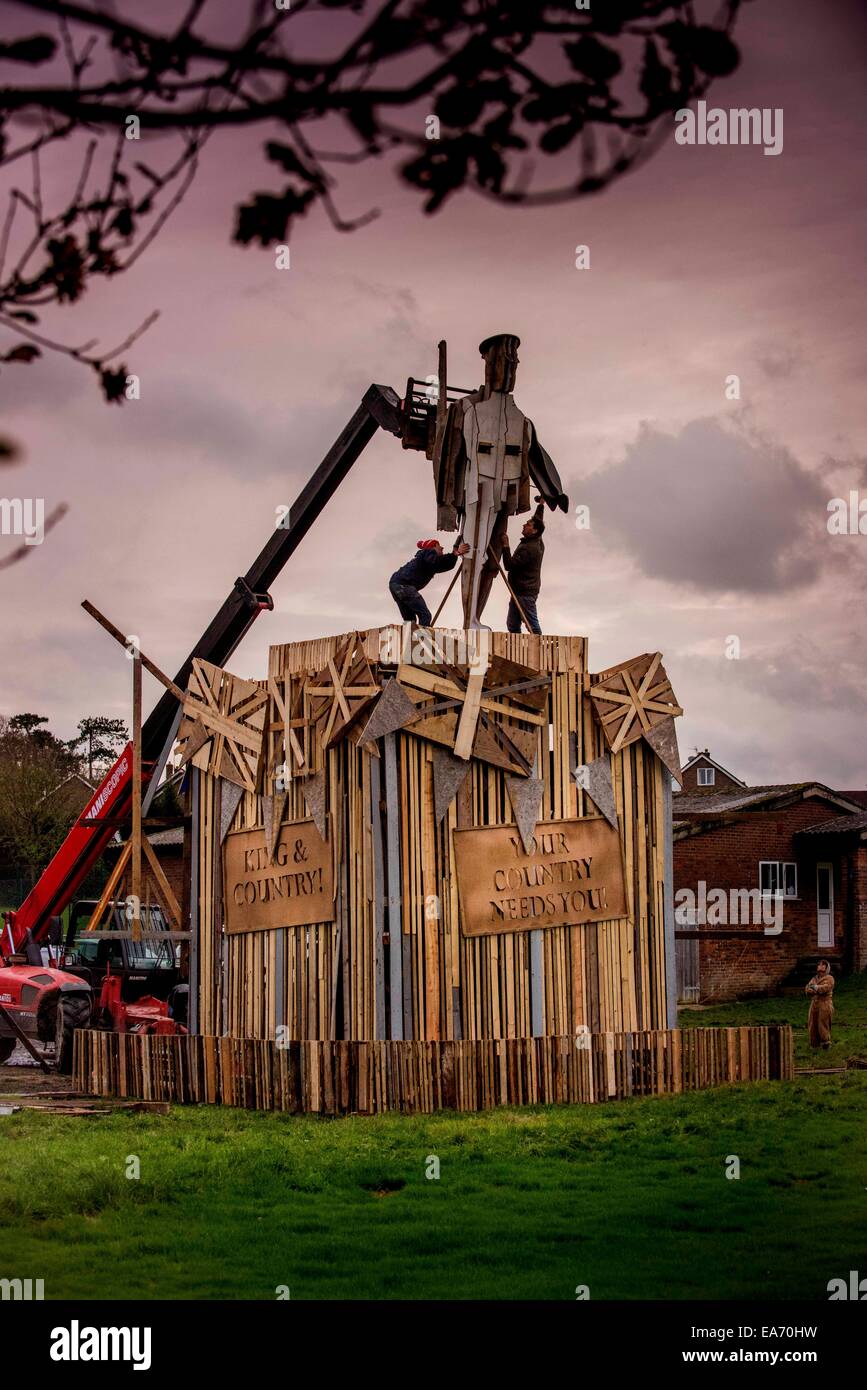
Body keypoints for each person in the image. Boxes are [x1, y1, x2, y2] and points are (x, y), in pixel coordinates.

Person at [389, 538, 468, 625]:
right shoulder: (428, 553)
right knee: (425, 615)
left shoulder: (425, 560)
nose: (442, 548)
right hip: (403, 585)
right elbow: (437, 563)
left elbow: (444, 565)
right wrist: (455, 553)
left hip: (395, 584)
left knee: (410, 621)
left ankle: (409, 637)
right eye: (439, 546)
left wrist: (454, 554)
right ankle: (422, 638)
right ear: (433, 547)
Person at [502, 499, 545, 634]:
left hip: (525, 592)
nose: (524, 525)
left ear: (534, 531)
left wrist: (505, 545)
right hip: (520, 590)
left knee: (531, 624)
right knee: (512, 624)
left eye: (528, 524)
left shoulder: (530, 549)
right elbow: (537, 518)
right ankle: (516, 649)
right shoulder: (536, 537)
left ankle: (539, 648)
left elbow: (509, 565)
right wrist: (541, 505)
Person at [805, 959, 834, 1049]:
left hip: (824, 1003)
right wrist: (812, 989)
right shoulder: (814, 978)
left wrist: (816, 988)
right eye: (819, 965)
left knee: (823, 1022)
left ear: (826, 968)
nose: (820, 966)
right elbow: (808, 988)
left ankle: (825, 1042)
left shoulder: (829, 978)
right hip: (814, 1003)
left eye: (823, 965)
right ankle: (814, 1043)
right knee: (812, 1023)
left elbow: (826, 988)